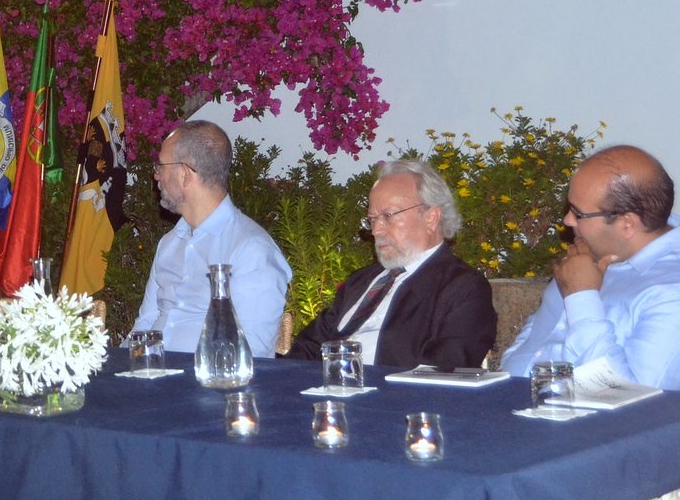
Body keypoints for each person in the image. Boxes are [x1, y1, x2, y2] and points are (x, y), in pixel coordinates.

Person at [501, 145, 680, 392]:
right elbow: (529, 345)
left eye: (578, 213)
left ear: (627, 224)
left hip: (588, 416)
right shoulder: (588, 255)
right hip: (511, 403)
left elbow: (633, 397)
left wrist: (582, 296)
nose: (567, 220)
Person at [285, 160, 496, 368]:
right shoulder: (361, 281)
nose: (376, 230)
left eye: (388, 216)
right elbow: (308, 348)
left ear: (431, 218)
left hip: (386, 389)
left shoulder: (463, 288)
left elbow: (445, 370)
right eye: (372, 219)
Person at [132, 120, 291, 355]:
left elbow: (252, 354)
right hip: (151, 371)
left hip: (206, 377)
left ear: (184, 175)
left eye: (161, 166)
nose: (156, 176)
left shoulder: (252, 250)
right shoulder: (169, 243)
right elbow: (145, 324)